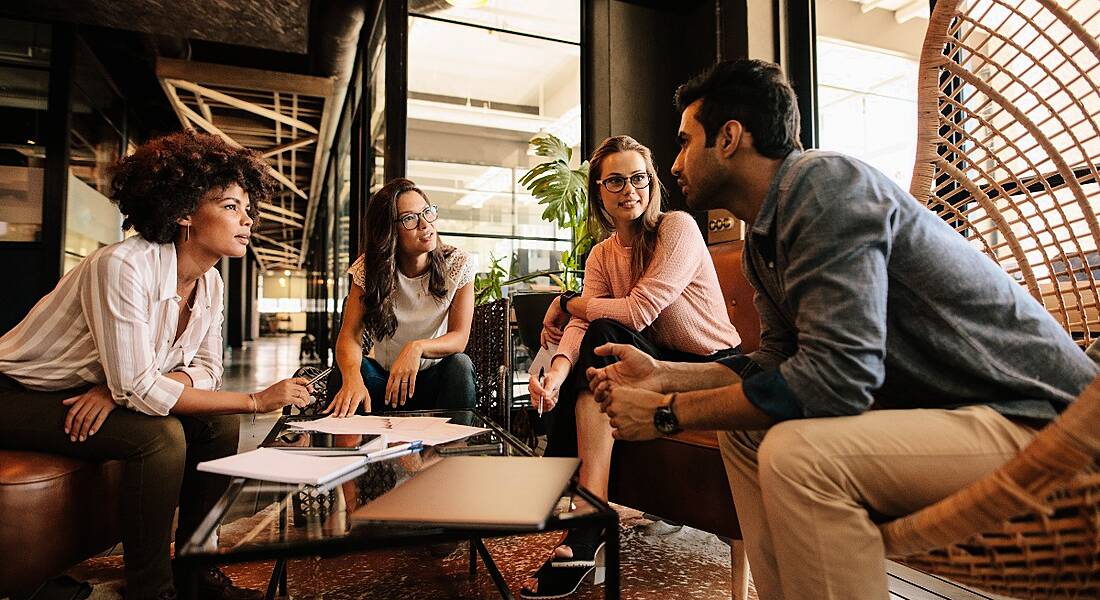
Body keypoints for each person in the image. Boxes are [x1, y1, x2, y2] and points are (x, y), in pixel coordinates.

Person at [586, 59, 1099, 600]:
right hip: (953, 417)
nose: (675, 163)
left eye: (686, 141)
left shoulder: (824, 185)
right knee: (747, 432)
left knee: (800, 456)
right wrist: (664, 374)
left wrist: (668, 413)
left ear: (730, 138)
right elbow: (772, 364)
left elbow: (837, 380)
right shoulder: (768, 238)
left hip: (1049, 423)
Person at [0, 130, 315, 600]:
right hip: (15, 393)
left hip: (89, 389)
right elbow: (140, 386)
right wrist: (255, 399)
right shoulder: (124, 265)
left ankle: (197, 572)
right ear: (184, 211)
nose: (248, 219)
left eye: (248, 208)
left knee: (219, 427)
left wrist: (117, 388)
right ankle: (152, 589)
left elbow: (206, 367)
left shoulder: (210, 282)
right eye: (231, 207)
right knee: (159, 438)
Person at [521, 135, 742, 599]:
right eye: (616, 180)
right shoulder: (602, 253)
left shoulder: (677, 228)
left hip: (711, 365)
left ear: (652, 182)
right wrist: (558, 372)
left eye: (639, 177)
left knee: (605, 334)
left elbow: (639, 312)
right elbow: (588, 322)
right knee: (598, 341)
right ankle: (587, 518)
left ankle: (583, 523)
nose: (630, 189)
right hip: (652, 363)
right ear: (599, 191)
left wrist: (565, 301)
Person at [326, 178, 476, 416]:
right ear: (389, 230)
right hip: (382, 384)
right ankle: (344, 447)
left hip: (433, 382)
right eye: (409, 219)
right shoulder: (368, 269)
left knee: (460, 365)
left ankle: (453, 451)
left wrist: (416, 348)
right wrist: (352, 379)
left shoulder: (458, 264)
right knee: (346, 372)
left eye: (427, 212)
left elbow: (459, 338)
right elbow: (349, 335)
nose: (425, 224)